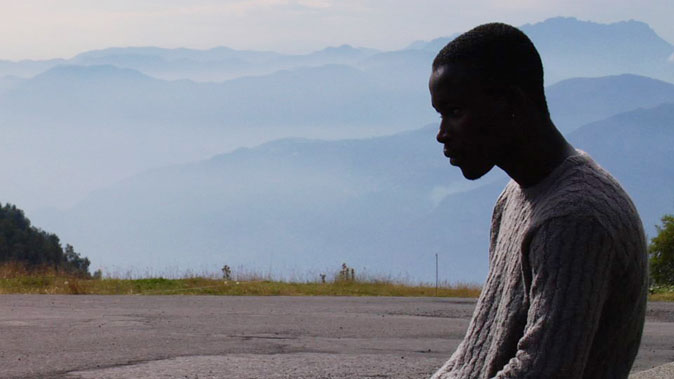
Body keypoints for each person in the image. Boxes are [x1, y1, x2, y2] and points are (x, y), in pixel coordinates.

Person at [428, 23, 648, 379]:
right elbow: (476, 354)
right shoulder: (515, 196)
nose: (442, 134)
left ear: (512, 103)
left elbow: (543, 370)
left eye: (455, 112)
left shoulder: (575, 219)